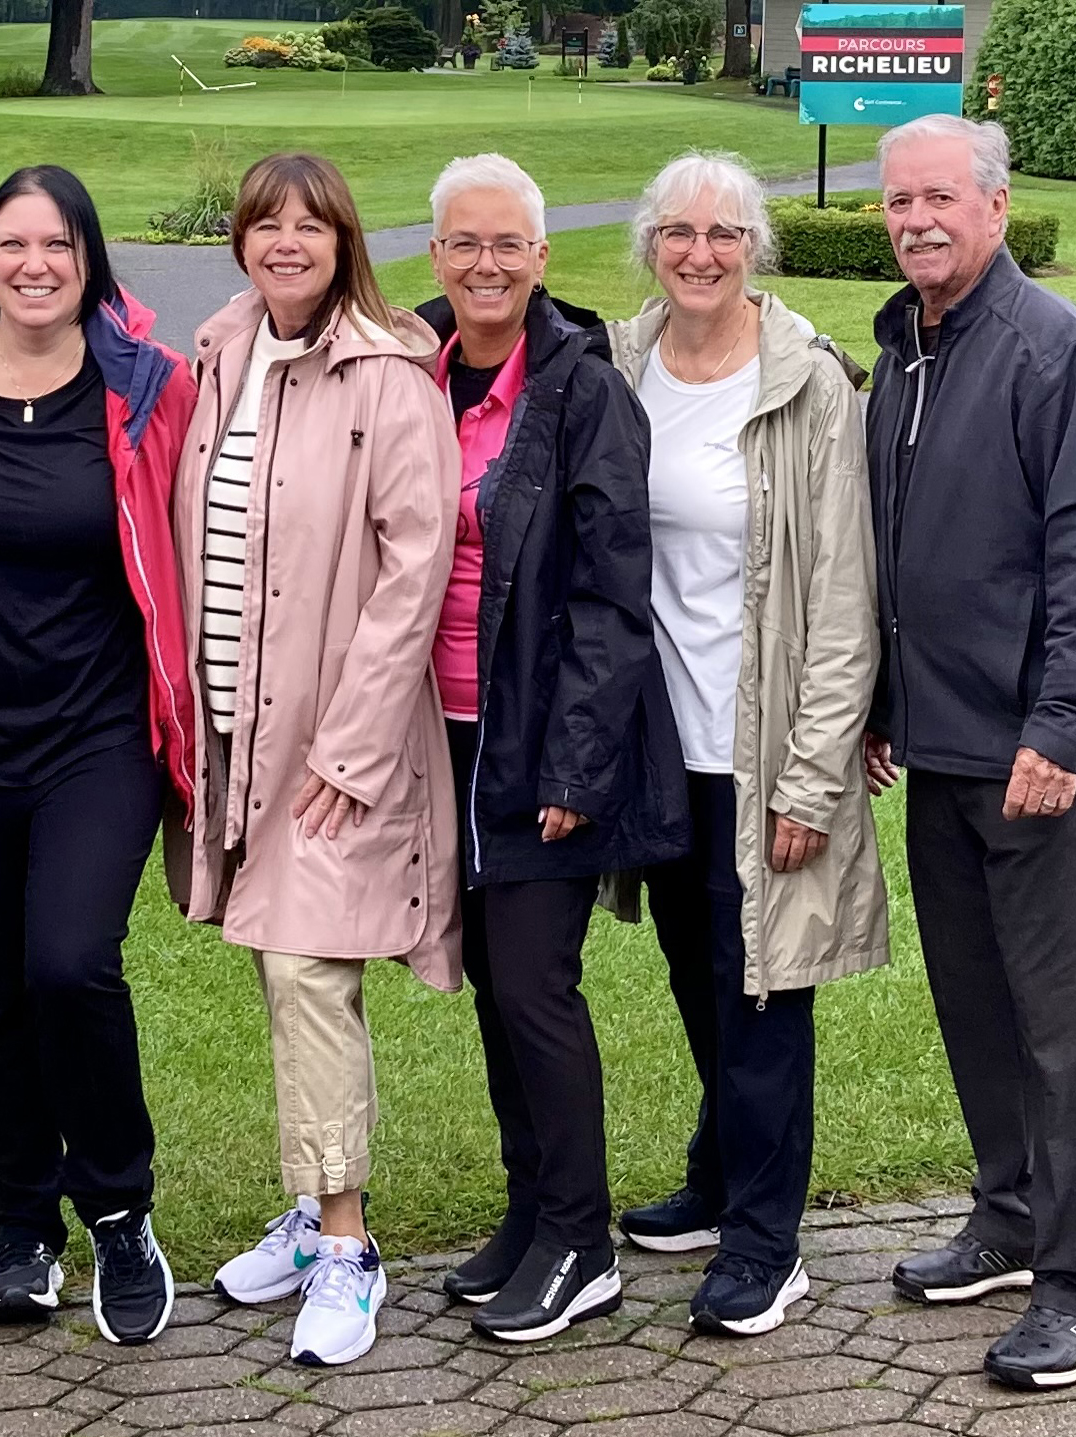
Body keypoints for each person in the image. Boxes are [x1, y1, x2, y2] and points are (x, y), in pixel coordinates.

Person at [0, 165, 198, 1345]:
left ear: (87, 258)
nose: (33, 265)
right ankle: (18, 1229)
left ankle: (117, 1210)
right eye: (11, 244)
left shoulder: (148, 388)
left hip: (100, 734)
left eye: (55, 245)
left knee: (69, 963)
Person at [861, 113, 1076, 1391]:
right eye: (896, 202)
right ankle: (1008, 1216)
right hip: (942, 748)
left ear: (992, 204)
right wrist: (881, 702)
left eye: (937, 199)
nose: (915, 220)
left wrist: (1063, 728)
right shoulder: (903, 350)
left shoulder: (1052, 349)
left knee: (1063, 1029)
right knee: (976, 1009)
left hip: (1044, 757)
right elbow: (899, 552)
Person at [176, 151, 461, 1369]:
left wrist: (347, 748)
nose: (284, 242)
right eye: (263, 223)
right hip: (235, 726)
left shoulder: (388, 376)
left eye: (310, 225)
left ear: (346, 240)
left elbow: (416, 569)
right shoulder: (224, 352)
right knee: (272, 966)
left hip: (333, 737)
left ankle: (345, 1244)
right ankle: (307, 1210)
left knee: (306, 972)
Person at [604, 149, 888, 1340]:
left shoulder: (807, 384)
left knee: (764, 991)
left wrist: (811, 778)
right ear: (649, 243)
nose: (699, 253)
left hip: (764, 747)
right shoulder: (620, 362)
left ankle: (767, 1246)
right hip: (660, 748)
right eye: (677, 232)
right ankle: (720, 1181)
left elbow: (842, 600)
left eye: (723, 233)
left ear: (753, 246)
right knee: (696, 977)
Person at [405, 153, 686, 1343]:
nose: (484, 264)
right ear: (435, 257)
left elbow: (618, 599)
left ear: (540, 257)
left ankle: (579, 1239)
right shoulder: (406, 371)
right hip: (440, 742)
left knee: (534, 985)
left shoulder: (580, 391)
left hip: (541, 748)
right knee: (491, 991)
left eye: (506, 245)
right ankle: (528, 1216)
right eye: (464, 244)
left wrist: (576, 764)